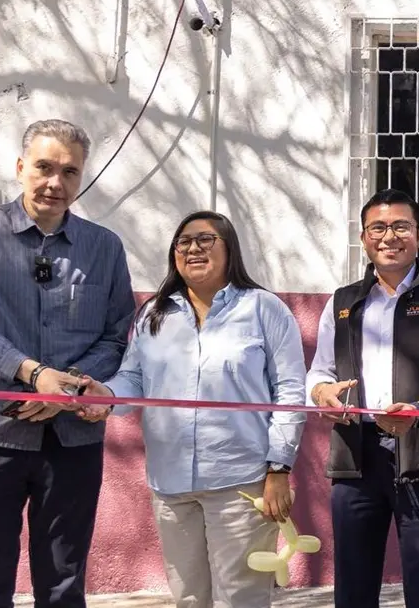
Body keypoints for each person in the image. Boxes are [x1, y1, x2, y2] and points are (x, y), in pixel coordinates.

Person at [81, 211, 307, 607]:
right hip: (170, 485)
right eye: (183, 242)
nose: (192, 249)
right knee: (188, 598)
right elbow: (134, 380)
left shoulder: (263, 309)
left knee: (242, 597)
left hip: (242, 482)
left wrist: (279, 469)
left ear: (229, 249)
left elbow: (289, 391)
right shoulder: (155, 313)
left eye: (205, 240)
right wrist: (104, 398)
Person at [0, 119, 135, 607]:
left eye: (70, 172)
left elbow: (116, 335)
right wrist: (34, 375)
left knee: (63, 584)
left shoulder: (104, 248)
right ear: (20, 168)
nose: (55, 183)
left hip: (72, 440)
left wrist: (68, 391)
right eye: (44, 167)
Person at [306, 189, 419, 608]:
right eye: (378, 228)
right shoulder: (343, 301)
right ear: (364, 238)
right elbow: (320, 371)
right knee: (353, 584)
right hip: (355, 455)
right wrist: (321, 394)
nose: (389, 236)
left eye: (401, 226)